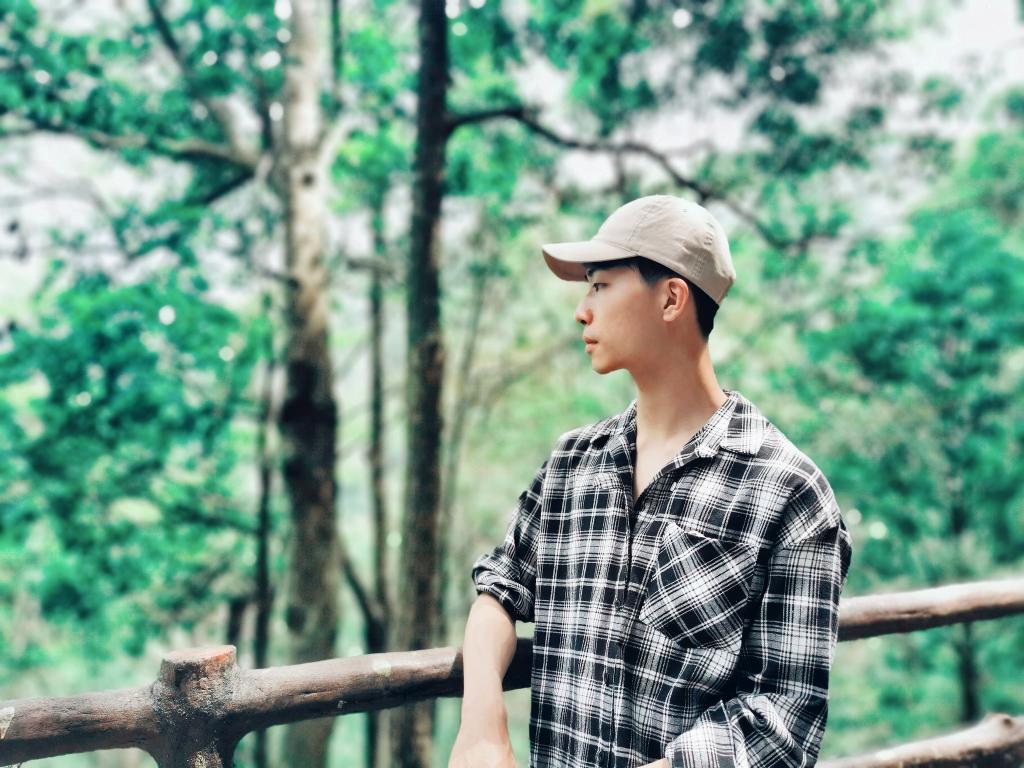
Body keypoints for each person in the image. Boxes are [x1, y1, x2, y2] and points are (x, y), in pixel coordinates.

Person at [449, 195, 853, 768]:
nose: (581, 311)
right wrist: (483, 727)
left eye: (600, 285)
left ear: (671, 298)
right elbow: (499, 588)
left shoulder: (789, 492)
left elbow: (784, 722)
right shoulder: (572, 464)